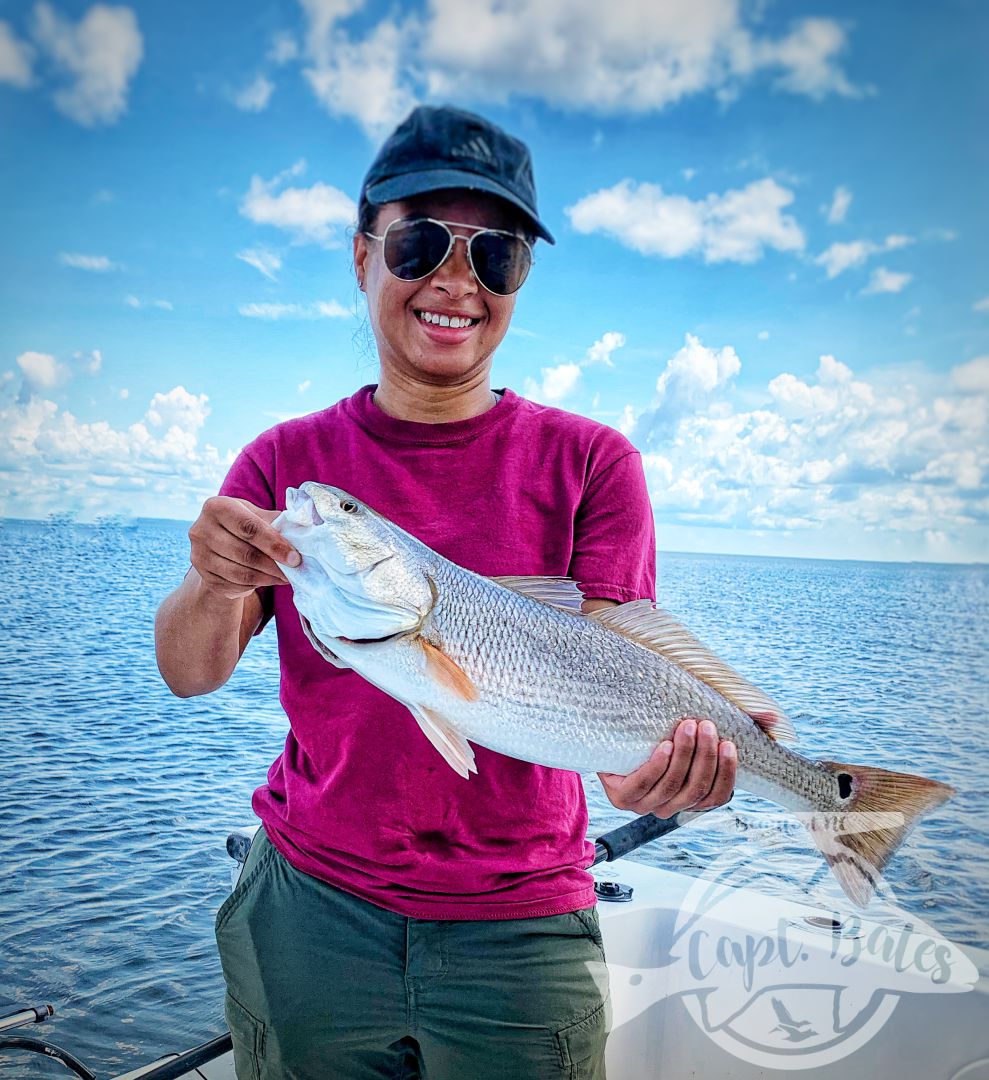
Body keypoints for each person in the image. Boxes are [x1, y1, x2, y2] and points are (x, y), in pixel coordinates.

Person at [154, 104, 737, 1080]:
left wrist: (655, 777)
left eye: (495, 253)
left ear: (519, 279)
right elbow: (189, 671)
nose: (455, 278)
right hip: (309, 909)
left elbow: (607, 716)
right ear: (361, 256)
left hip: (521, 930)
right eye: (421, 240)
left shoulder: (593, 464)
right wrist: (212, 582)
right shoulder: (285, 461)